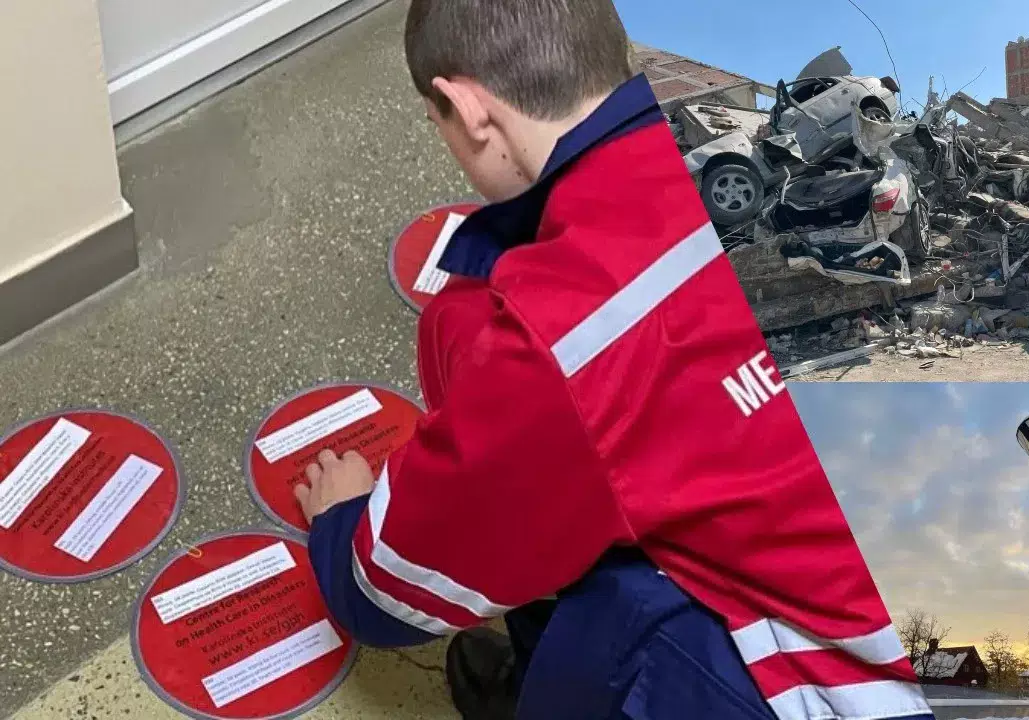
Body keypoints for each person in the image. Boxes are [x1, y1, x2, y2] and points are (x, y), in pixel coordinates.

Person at [295, 1, 936, 719]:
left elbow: (384, 597)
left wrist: (341, 518)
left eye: (437, 123)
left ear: (468, 108)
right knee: (476, 333)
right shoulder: (704, 157)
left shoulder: (565, 341)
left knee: (624, 613)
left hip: (861, 694)